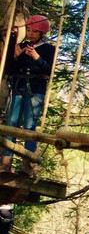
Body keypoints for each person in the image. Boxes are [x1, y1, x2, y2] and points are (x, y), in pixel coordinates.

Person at [1, 15, 56, 173]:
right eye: (29, 30)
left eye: (35, 31)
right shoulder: (22, 46)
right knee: (11, 123)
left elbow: (49, 70)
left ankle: (28, 165)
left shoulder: (48, 49)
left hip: (35, 90)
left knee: (29, 126)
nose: (31, 34)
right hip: (18, 87)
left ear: (42, 33)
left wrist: (37, 58)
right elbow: (9, 70)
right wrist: (16, 57)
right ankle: (6, 163)